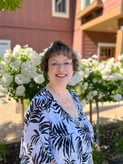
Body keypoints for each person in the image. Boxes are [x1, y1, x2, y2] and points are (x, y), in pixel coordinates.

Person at [19, 40, 94, 164]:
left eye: (66, 63)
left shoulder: (74, 97)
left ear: (73, 68)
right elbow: (33, 153)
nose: (61, 69)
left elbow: (85, 143)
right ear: (46, 69)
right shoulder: (40, 103)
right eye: (54, 64)